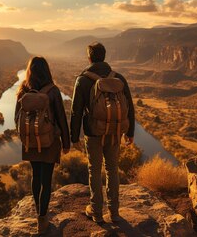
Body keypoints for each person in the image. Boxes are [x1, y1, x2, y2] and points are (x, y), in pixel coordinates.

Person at [70, 42, 135, 223]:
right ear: (104, 56)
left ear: (89, 57)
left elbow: (76, 111)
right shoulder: (119, 78)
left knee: (95, 170)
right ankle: (114, 212)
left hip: (93, 132)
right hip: (114, 132)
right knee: (112, 169)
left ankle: (96, 211)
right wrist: (130, 132)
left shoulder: (82, 80)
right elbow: (129, 107)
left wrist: (74, 136)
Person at [15, 57, 70, 234]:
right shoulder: (52, 91)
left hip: (30, 142)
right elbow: (61, 117)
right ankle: (42, 219)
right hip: (49, 142)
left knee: (36, 176)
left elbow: (17, 118)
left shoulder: (23, 90)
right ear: (47, 70)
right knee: (46, 181)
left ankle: (39, 213)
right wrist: (66, 143)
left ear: (30, 70)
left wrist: (26, 136)